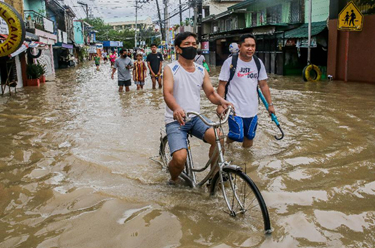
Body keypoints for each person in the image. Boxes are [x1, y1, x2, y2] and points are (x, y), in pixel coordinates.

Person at [163, 32, 233, 185]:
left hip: (196, 118)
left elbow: (210, 93)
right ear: (178, 49)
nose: (192, 47)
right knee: (180, 159)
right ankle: (173, 179)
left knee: (219, 138)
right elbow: (167, 93)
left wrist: (222, 102)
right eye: (187, 44)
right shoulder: (170, 69)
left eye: (194, 44)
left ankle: (214, 177)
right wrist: (176, 108)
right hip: (176, 121)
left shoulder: (201, 70)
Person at [217, 34, 275, 148]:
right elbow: (222, 85)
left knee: (249, 137)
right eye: (247, 45)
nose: (250, 49)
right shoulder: (230, 62)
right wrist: (220, 105)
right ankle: (227, 148)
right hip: (233, 108)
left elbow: (263, 85)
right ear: (239, 46)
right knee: (236, 136)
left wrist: (270, 105)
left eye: (253, 46)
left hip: (252, 109)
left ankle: (247, 161)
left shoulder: (258, 63)